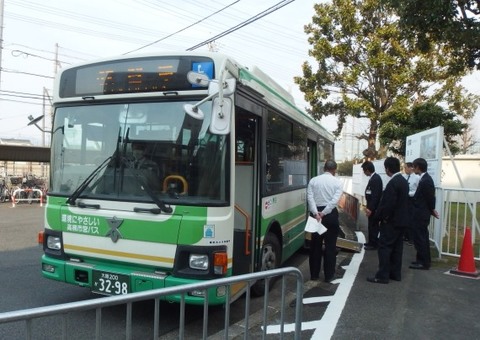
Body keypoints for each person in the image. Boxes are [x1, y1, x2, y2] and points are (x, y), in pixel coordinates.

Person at [367, 157, 409, 284]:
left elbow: (387, 205)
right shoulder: (403, 181)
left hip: (391, 221)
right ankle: (395, 274)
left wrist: (378, 217)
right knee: (397, 248)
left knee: (384, 247)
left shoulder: (393, 183)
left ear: (387, 168)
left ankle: (382, 275)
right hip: (402, 220)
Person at [307, 160, 343, 283]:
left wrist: (316, 213)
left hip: (315, 215)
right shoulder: (337, 183)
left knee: (315, 246)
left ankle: (314, 275)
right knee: (330, 246)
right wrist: (324, 212)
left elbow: (310, 198)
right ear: (334, 170)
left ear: (324, 168)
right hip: (330, 215)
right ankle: (329, 275)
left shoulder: (313, 180)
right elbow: (334, 201)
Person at [409, 158, 439, 270]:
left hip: (422, 214)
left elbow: (430, 198)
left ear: (418, 167)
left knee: (421, 238)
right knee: (419, 238)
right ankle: (420, 260)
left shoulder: (426, 180)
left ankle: (424, 262)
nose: (412, 168)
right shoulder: (424, 179)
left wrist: (432, 209)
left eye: (414, 166)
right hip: (420, 213)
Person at [361, 161, 383, 250]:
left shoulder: (376, 179)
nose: (363, 172)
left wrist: (370, 208)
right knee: (371, 225)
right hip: (371, 207)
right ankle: (371, 242)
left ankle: (374, 244)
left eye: (364, 170)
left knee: (373, 226)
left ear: (367, 170)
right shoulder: (373, 178)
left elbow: (376, 196)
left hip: (374, 208)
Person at [403, 162, 420, 243]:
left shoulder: (416, 178)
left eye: (406, 168)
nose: (404, 169)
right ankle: (406, 235)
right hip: (405, 200)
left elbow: (418, 190)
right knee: (406, 217)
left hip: (412, 200)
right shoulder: (405, 176)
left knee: (411, 219)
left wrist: (409, 194)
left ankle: (411, 238)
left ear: (411, 168)